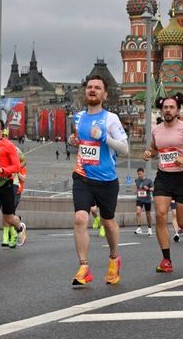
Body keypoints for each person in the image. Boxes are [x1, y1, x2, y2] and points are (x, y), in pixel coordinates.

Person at [68, 75, 129, 286]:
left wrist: (104, 137)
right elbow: (83, 143)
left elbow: (125, 149)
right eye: (90, 87)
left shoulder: (110, 119)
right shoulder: (78, 117)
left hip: (106, 179)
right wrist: (74, 140)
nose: (92, 90)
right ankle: (84, 267)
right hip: (83, 176)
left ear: (105, 94)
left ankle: (114, 258)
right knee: (80, 218)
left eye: (97, 88)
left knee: (108, 222)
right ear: (85, 92)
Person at [141, 92, 183, 273]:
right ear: (162, 110)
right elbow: (155, 149)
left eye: (171, 107)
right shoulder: (157, 130)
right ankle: (166, 260)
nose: (168, 110)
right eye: (165, 108)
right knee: (161, 215)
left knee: (182, 221)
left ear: (178, 110)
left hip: (182, 178)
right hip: (163, 177)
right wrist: (149, 153)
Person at [0, 118, 27, 251]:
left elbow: (17, 166)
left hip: (5, 183)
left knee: (8, 216)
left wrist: (3, 170)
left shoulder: (9, 146)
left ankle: (20, 227)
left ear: (2, 131)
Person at [134, 168, 154, 236]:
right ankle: (139, 228)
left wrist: (147, 188)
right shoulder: (136, 180)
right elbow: (137, 187)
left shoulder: (149, 180)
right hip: (139, 199)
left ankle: (149, 228)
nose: (139, 175)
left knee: (148, 214)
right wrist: (136, 191)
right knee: (138, 211)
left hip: (147, 199)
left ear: (143, 173)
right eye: (138, 174)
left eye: (140, 174)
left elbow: (153, 189)